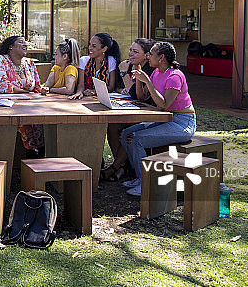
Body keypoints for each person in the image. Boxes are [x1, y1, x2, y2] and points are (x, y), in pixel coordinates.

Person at [119, 41, 196, 197]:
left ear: (161, 58)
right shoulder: (156, 73)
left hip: (181, 122)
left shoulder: (175, 76)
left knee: (137, 139)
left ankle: (145, 183)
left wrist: (147, 80)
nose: (149, 56)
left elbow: (164, 104)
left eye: (151, 54)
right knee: (125, 134)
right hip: (165, 118)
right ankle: (139, 177)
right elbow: (142, 97)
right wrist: (140, 80)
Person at [101, 38, 155, 182]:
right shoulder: (132, 65)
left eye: (135, 51)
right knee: (112, 126)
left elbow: (137, 95)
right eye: (130, 49)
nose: (130, 53)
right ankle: (122, 166)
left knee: (130, 129)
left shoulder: (150, 69)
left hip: (149, 113)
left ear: (147, 55)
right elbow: (123, 89)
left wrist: (124, 73)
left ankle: (115, 167)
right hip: (134, 108)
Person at [0, 35, 44, 156]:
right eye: (21, 42)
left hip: (29, 107)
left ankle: (35, 166)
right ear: (11, 47)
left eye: (25, 43)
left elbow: (37, 87)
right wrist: (27, 93)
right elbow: (3, 86)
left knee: (42, 124)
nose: (25, 45)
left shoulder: (29, 63)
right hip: (5, 108)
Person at [70, 32, 120, 99]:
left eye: (94, 46)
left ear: (104, 49)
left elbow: (111, 87)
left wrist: (95, 92)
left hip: (103, 99)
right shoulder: (84, 60)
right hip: (86, 98)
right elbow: (81, 85)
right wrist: (79, 92)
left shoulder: (111, 61)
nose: (90, 48)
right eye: (90, 45)